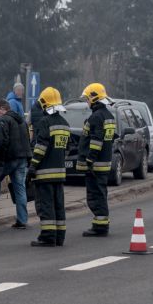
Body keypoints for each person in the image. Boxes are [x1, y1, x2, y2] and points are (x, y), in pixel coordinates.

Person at [27, 87, 70, 247]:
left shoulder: (45, 122)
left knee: (46, 206)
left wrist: (32, 167)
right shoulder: (65, 124)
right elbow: (67, 148)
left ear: (44, 103)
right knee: (59, 205)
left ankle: (47, 237)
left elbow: (40, 147)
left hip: (44, 174)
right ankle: (59, 237)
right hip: (60, 174)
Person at [76, 83, 116, 237]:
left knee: (95, 195)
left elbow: (96, 141)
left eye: (87, 99)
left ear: (94, 98)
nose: (87, 102)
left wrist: (89, 160)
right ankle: (101, 224)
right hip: (105, 162)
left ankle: (100, 227)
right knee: (101, 194)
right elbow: (109, 139)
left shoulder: (96, 117)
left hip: (96, 165)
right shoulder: (109, 116)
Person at [0, 99, 32, 229]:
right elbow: (27, 140)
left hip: (9, 159)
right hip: (22, 158)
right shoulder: (22, 121)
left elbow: (3, 140)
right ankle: (22, 220)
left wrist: (0, 160)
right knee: (20, 189)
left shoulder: (4, 120)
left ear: (1, 109)